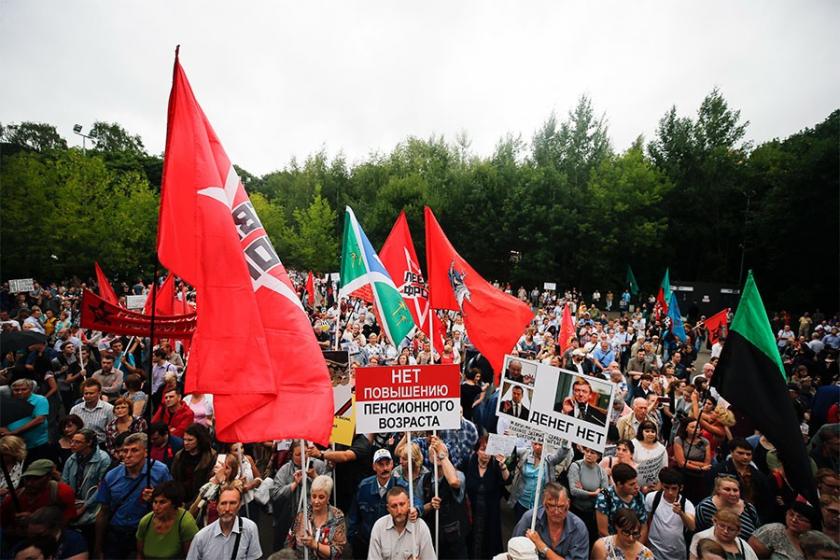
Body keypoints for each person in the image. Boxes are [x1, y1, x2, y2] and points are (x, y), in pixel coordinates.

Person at [95, 433, 172, 559]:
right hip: (116, 534)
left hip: (147, 532)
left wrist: (155, 499)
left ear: (145, 452)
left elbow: (173, 502)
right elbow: (103, 512)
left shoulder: (160, 471)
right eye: (125, 451)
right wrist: (98, 548)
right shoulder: (111, 476)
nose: (128, 455)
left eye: (134, 450)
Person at [346, 448, 419, 559]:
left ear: (392, 465)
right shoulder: (364, 486)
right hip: (365, 542)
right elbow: (353, 515)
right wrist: (352, 538)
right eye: (380, 464)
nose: (385, 468)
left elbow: (416, 501)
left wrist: (416, 509)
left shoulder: (401, 485)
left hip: (392, 544)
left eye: (387, 464)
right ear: (374, 467)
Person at [0, 459, 77, 543]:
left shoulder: (62, 492)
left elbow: (66, 522)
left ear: (49, 477)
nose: (29, 483)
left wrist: (35, 521)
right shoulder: (14, 497)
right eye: (27, 478)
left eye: (36, 478)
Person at [270, 442, 327, 551]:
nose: (302, 457)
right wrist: (294, 484)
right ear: (291, 455)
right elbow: (275, 494)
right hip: (290, 518)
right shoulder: (285, 470)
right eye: (298, 454)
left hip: (315, 517)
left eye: (305, 453)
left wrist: (314, 476)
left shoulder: (319, 465)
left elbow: (328, 490)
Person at [512, 482, 590, 560]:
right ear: (544, 504)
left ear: (568, 503)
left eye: (561, 506)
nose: (556, 512)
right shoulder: (530, 519)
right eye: (552, 506)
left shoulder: (578, 528)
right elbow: (514, 551)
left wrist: (542, 547)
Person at [60, 428, 110, 547]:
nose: (72, 445)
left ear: (89, 443)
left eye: (78, 442)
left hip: (93, 505)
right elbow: (64, 481)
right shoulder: (71, 459)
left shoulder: (103, 459)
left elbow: (102, 487)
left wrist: (84, 506)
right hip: (73, 502)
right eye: (72, 441)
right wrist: (70, 504)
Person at [465, 433, 511, 559]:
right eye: (482, 449)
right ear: (476, 451)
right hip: (472, 514)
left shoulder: (496, 465)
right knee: (473, 544)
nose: (485, 453)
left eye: (489, 450)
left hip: (491, 515)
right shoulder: (469, 464)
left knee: (490, 544)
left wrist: (503, 466)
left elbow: (507, 480)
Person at [186, 485, 262, 560]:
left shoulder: (250, 528)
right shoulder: (201, 538)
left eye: (232, 503)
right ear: (217, 507)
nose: (227, 509)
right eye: (223, 503)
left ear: (239, 506)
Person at [711, 437, 774, 525]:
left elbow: (766, 500)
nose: (745, 457)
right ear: (731, 452)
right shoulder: (719, 470)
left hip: (750, 518)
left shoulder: (758, 476)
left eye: (748, 454)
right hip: (721, 514)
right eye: (740, 453)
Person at [286, 474, 346, 559]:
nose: (316, 501)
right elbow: (289, 541)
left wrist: (314, 544)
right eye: (313, 496)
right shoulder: (303, 514)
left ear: (328, 497)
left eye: (321, 497)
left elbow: (338, 552)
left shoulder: (337, 516)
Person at [509, 440, 571, 522]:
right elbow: (510, 450)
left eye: (540, 444)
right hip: (522, 500)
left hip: (540, 504)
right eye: (535, 444)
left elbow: (560, 455)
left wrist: (565, 443)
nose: (537, 447)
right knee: (520, 524)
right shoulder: (525, 453)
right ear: (532, 444)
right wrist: (507, 439)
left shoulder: (549, 459)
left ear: (545, 445)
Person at [135, 480, 199, 560]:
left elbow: (191, 556)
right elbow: (140, 554)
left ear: (174, 503)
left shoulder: (185, 523)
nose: (157, 507)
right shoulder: (145, 522)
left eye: (162, 502)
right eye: (155, 502)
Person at [367, 486, 435, 560]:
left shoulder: (420, 526)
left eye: (402, 504)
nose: (399, 511)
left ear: (409, 503)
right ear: (388, 508)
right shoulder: (379, 527)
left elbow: (430, 557)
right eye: (394, 506)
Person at [645, 467, 697, 560]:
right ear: (661, 485)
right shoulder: (652, 498)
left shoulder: (686, 504)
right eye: (666, 487)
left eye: (674, 488)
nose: (670, 492)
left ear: (681, 488)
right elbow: (646, 521)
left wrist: (681, 513)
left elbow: (692, 526)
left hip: (677, 554)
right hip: (654, 552)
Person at [695, 475, 761, 540]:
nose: (732, 493)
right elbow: (695, 533)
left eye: (735, 490)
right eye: (727, 489)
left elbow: (757, 533)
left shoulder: (749, 508)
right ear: (718, 491)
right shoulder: (704, 508)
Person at [748, 501, 821, 560]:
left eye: (801, 518)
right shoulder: (773, 531)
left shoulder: (815, 543)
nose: (794, 520)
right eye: (791, 514)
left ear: (811, 524)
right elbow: (749, 555)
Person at [2, 379, 52, 464]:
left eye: (24, 389)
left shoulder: (40, 400)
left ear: (30, 389)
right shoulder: (7, 402)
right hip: (15, 447)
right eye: (16, 390)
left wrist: (15, 432)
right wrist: (8, 435)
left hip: (37, 445)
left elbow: (40, 419)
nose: (20, 392)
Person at [594, 463, 648, 540]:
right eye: (631, 484)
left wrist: (637, 548)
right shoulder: (604, 497)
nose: (637, 487)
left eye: (636, 482)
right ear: (619, 484)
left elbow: (644, 526)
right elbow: (603, 531)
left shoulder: (639, 496)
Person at [568, 446, 609, 546]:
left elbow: (604, 493)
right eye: (587, 451)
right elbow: (574, 491)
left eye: (592, 452)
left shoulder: (601, 471)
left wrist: (584, 491)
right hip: (575, 511)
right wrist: (593, 493)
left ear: (598, 456)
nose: (589, 454)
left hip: (592, 514)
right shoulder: (576, 465)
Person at [171, 423, 217, 505]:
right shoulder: (179, 456)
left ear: (199, 440)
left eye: (190, 440)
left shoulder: (211, 457)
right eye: (184, 439)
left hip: (200, 500)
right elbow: (174, 477)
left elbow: (210, 482)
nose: (186, 443)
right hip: (181, 499)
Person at [190, 453, 241, 527]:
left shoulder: (237, 484)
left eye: (226, 468)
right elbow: (195, 508)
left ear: (233, 470)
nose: (222, 470)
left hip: (228, 525)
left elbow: (228, 497)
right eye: (220, 466)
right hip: (208, 525)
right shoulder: (211, 485)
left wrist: (222, 481)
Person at [20, 505, 88, 560]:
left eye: (39, 534)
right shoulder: (26, 542)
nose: (33, 538)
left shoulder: (74, 540)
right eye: (30, 534)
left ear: (54, 528)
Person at [689, 509, 759, 560]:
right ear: (715, 522)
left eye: (731, 529)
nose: (725, 531)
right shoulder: (701, 537)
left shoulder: (744, 546)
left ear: (738, 531)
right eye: (722, 526)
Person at [673, 416, 713, 504]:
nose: (696, 429)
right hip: (684, 476)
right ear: (686, 428)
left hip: (699, 478)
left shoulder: (705, 442)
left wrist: (689, 461)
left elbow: (707, 463)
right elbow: (681, 463)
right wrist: (700, 467)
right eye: (692, 427)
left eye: (697, 427)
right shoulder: (679, 440)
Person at [68, 379, 114, 446]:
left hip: (100, 445)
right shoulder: (75, 409)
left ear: (99, 393)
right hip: (79, 445)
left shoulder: (109, 409)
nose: (88, 396)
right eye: (86, 393)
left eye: (91, 393)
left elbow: (111, 431)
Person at [633, 420, 668, 493]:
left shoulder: (662, 448)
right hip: (634, 486)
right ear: (641, 431)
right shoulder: (633, 444)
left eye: (653, 431)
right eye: (647, 431)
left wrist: (658, 487)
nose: (650, 434)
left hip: (654, 488)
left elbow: (664, 468)